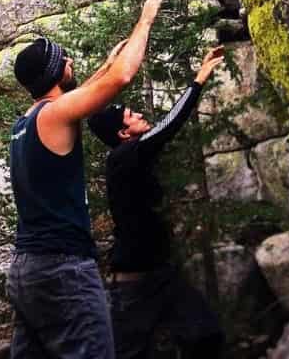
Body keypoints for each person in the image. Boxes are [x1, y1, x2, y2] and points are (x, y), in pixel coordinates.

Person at [7, 0, 170, 359]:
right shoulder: (56, 116)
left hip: (25, 271)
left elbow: (89, 87)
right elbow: (122, 77)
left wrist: (106, 65)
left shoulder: (25, 124)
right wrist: (145, 18)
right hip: (62, 269)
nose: (71, 64)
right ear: (54, 72)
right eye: (66, 61)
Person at [87, 45, 226, 359]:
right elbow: (169, 126)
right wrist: (199, 79)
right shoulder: (124, 156)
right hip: (134, 284)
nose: (139, 115)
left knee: (205, 335)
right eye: (131, 116)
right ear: (124, 133)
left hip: (161, 274)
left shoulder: (129, 156)